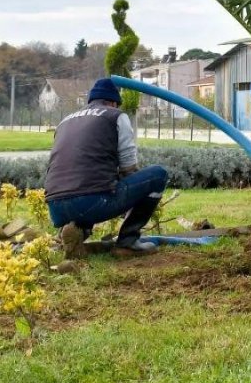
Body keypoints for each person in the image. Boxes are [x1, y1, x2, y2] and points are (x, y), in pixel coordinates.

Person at [45, 78, 169, 256]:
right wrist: (130, 199)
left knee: (90, 182)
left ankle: (76, 232)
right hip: (91, 202)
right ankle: (128, 241)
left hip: (56, 207)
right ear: (113, 102)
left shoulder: (65, 121)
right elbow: (128, 166)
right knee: (157, 175)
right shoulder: (115, 115)